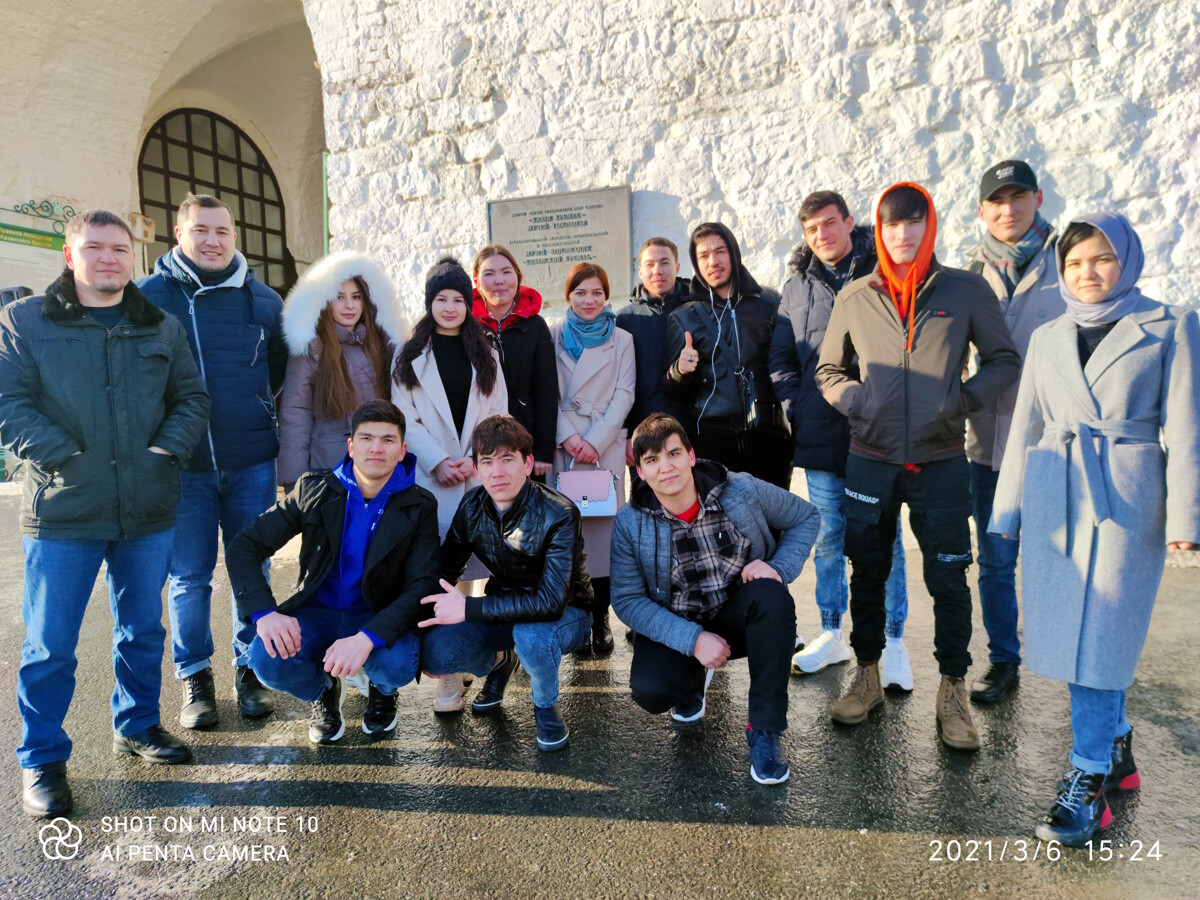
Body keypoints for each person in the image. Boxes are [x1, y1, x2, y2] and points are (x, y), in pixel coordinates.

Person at [989, 212, 1200, 846]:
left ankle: (1087, 780)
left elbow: (1188, 428)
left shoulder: (1169, 324)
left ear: (1127, 260)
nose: (1088, 272)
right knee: (1072, 636)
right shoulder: (1048, 335)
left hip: (1127, 498)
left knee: (1100, 638)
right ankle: (1117, 743)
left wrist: (1186, 518)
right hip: (1057, 492)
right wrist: (1007, 509)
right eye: (1075, 262)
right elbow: (1025, 425)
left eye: (1102, 258)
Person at [0, 210, 210, 817]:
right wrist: (63, 455)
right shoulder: (25, 320)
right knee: (50, 645)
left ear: (133, 256)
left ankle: (138, 724)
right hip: (65, 509)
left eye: (120, 248)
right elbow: (7, 402)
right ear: (71, 255)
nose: (109, 258)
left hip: (146, 507)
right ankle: (42, 758)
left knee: (142, 629)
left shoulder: (160, 325)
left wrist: (165, 451)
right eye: (94, 247)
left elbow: (192, 398)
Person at [815, 182, 1020, 750]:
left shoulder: (966, 289)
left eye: (913, 222)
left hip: (942, 460)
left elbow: (1004, 360)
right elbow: (829, 371)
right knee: (867, 571)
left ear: (929, 227)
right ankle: (867, 675)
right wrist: (861, 403)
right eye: (891, 224)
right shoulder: (856, 295)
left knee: (949, 576)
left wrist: (959, 401)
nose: (902, 234)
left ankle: (953, 688)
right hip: (871, 459)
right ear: (878, 231)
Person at [139, 193, 287, 730]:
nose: (212, 241)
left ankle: (250, 669)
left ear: (234, 237)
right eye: (200, 230)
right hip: (184, 467)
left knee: (254, 566)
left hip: (251, 462)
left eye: (222, 231)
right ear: (178, 234)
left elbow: (277, 371)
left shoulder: (263, 300)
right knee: (189, 576)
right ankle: (195, 677)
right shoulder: (146, 298)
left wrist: (256, 412)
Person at [611, 414, 819, 785]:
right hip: (680, 623)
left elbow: (806, 517)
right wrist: (692, 640)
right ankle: (691, 682)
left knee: (772, 597)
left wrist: (778, 568)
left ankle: (765, 731)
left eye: (674, 453)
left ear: (691, 456)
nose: (666, 467)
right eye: (652, 460)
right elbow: (627, 601)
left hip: (737, 613)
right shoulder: (630, 522)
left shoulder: (741, 490)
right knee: (652, 691)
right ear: (640, 472)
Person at [226, 400, 440, 744]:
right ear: (351, 446)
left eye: (387, 440)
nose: (376, 448)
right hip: (316, 612)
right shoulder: (314, 489)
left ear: (402, 451)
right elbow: (245, 546)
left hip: (377, 614)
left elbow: (423, 584)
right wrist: (264, 613)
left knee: (398, 664)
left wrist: (368, 637)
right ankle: (323, 690)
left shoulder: (420, 505)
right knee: (267, 661)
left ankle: (383, 690)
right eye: (366, 438)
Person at [770, 191, 912, 689]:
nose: (822, 235)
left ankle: (893, 641)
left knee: (885, 538)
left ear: (850, 222)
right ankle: (832, 633)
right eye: (812, 229)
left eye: (830, 223)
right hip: (820, 434)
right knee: (828, 539)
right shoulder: (796, 288)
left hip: (877, 432)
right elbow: (781, 358)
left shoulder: (883, 273)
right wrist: (797, 405)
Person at [419, 416, 593, 751]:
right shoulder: (472, 505)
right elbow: (446, 569)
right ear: (476, 469)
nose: (497, 472)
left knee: (531, 636)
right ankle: (500, 662)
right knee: (438, 651)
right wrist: (419, 624)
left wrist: (469, 608)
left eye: (508, 459)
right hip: (504, 607)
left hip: (567, 614)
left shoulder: (559, 513)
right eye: (487, 462)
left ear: (527, 464)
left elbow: (550, 602)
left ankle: (545, 706)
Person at [963, 160, 1064, 705]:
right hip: (987, 444)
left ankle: (1080, 670)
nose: (1008, 209)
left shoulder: (1067, 260)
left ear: (1038, 198)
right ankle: (1005, 661)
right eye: (997, 201)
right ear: (983, 211)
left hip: (1054, 446)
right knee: (997, 562)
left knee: (1068, 562)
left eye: (1017, 197)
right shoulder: (971, 271)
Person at [392, 256, 508, 712]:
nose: (449, 307)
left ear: (468, 303)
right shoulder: (409, 355)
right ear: (429, 303)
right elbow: (404, 416)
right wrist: (438, 460)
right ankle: (449, 675)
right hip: (432, 478)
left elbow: (499, 414)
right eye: (441, 298)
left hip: (480, 475)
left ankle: (488, 655)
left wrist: (478, 459)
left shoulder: (487, 352)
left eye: (458, 299)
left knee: (483, 574)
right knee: (442, 575)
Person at [664, 222, 793, 489]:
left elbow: (789, 362)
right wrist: (680, 371)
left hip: (769, 438)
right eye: (703, 255)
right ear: (696, 263)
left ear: (733, 253)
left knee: (775, 514)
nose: (713, 261)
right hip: (713, 441)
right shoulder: (684, 316)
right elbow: (672, 390)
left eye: (720, 251)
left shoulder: (768, 302)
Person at [550, 262, 635, 655]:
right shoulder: (552, 334)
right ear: (568, 295)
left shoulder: (622, 339)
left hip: (602, 449)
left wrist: (594, 441)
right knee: (565, 537)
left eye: (597, 292)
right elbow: (544, 389)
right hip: (564, 447)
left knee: (602, 541)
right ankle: (574, 619)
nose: (589, 300)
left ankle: (600, 618)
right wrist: (568, 436)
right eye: (580, 292)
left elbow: (625, 394)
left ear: (606, 296)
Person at [278, 251, 406, 490]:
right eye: (339, 297)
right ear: (325, 301)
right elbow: (296, 413)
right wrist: (295, 480)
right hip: (328, 467)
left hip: (377, 465)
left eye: (356, 297)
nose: (349, 305)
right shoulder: (312, 346)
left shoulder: (382, 345)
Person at [471, 245, 558, 479]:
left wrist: (543, 451)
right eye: (489, 274)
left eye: (506, 272)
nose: (499, 280)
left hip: (524, 438)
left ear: (518, 277)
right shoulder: (467, 326)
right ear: (477, 282)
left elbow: (546, 391)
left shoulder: (535, 325)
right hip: (478, 439)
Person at [616, 237, 691, 469]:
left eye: (665, 262)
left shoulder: (695, 310)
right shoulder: (625, 319)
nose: (657, 270)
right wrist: (625, 433)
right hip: (643, 433)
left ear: (677, 267)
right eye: (649, 264)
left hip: (691, 430)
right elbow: (619, 382)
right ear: (640, 271)